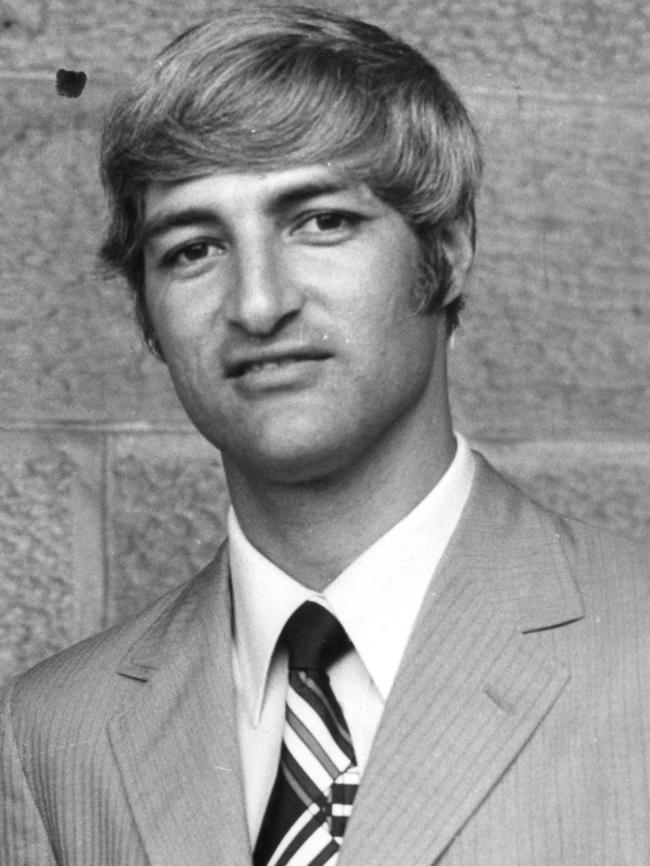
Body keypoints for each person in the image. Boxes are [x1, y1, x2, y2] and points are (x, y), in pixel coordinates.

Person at [1, 5, 649, 865]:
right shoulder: (51, 734)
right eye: (194, 248)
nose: (259, 303)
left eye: (322, 221)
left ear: (446, 252)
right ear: (147, 310)